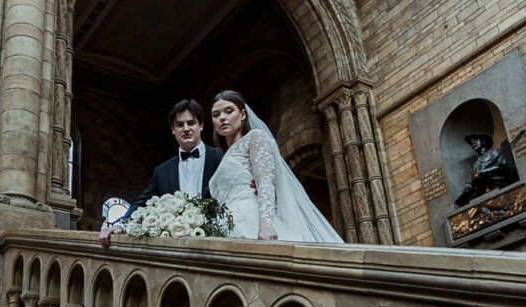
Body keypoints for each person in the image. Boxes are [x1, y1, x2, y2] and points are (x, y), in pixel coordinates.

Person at [209, 90, 343, 244]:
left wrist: (265, 225)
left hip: (250, 219)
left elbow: (265, 181)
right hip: (225, 225)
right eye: (216, 115)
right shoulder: (224, 158)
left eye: (229, 111)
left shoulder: (254, 137)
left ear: (243, 115)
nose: (222, 118)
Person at [99, 98, 222, 247]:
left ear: (201, 125)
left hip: (216, 242)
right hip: (176, 245)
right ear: (173, 129)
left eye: (191, 123)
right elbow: (142, 202)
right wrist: (120, 225)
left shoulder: (220, 158)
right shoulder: (162, 171)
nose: (186, 128)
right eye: (179, 124)